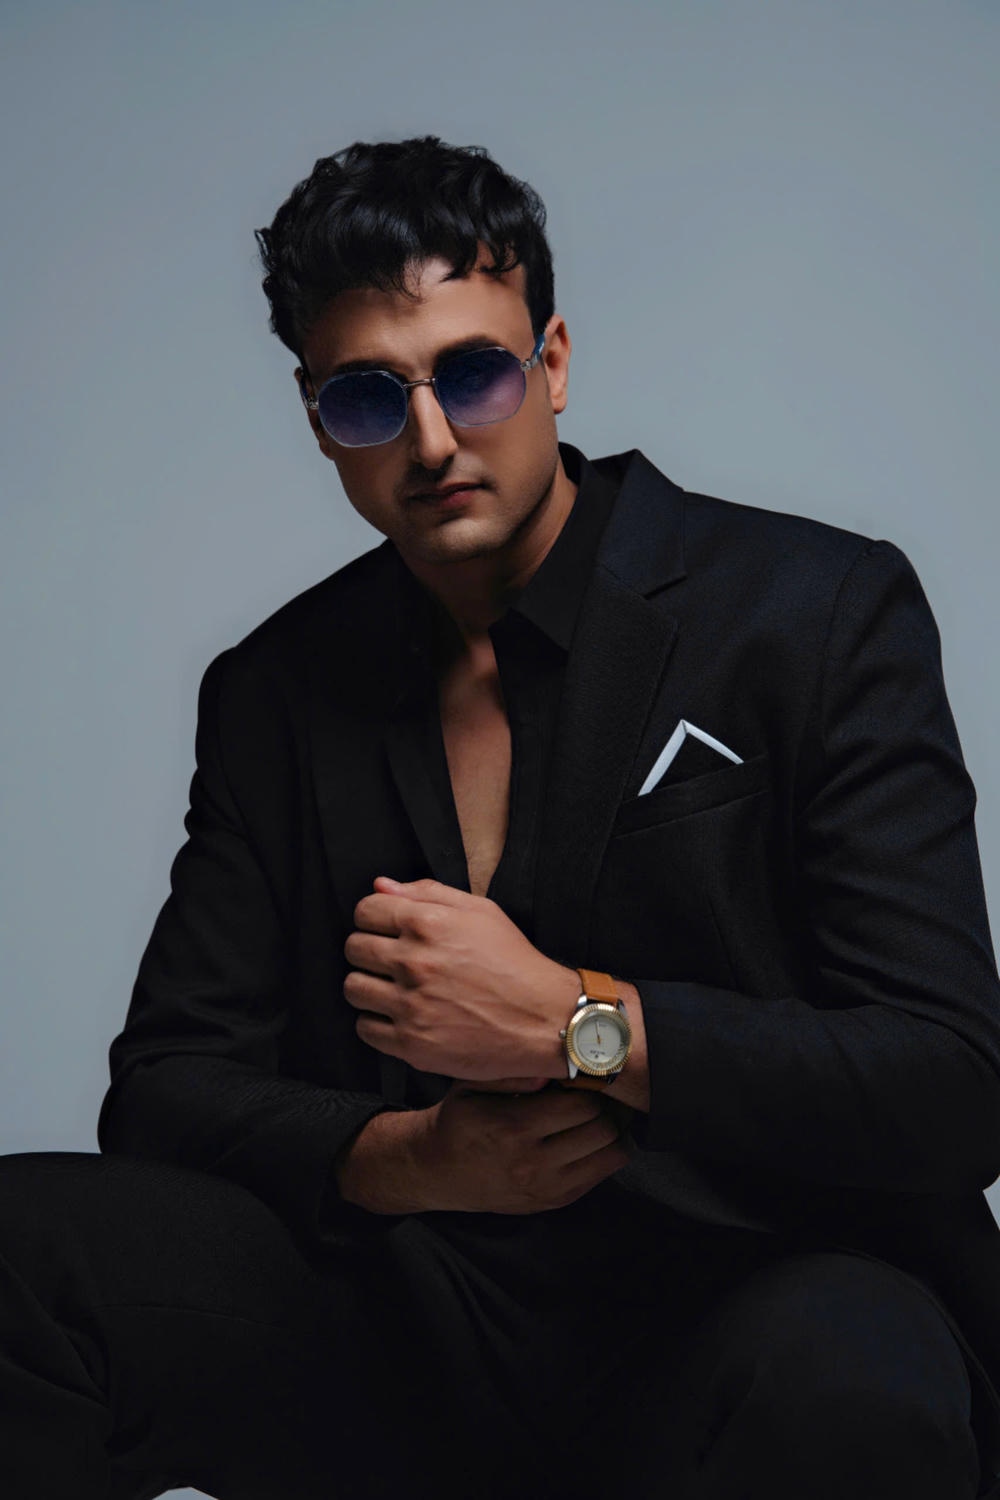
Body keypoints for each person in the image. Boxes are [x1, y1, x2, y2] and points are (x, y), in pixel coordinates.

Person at [1, 134, 999, 1500]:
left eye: (474, 374)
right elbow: (169, 1093)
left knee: (856, 1369)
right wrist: (408, 1160)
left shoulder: (811, 612)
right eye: (369, 398)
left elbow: (952, 1081)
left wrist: (578, 1027)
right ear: (315, 416)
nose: (430, 442)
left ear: (554, 362)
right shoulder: (276, 690)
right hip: (408, 1328)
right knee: (24, 1251)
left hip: (747, 1299)